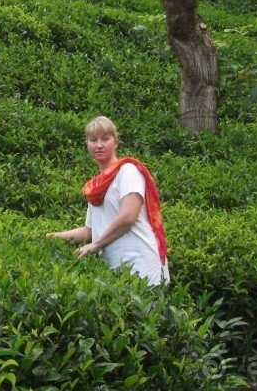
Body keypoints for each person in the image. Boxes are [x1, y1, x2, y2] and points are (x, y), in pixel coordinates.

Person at [48, 116, 169, 286]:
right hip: (112, 268)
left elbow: (129, 216)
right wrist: (51, 237)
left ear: (116, 143)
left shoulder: (128, 171)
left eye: (105, 139)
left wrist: (95, 245)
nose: (99, 145)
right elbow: (89, 231)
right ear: (87, 144)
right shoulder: (95, 187)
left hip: (141, 263)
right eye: (93, 140)